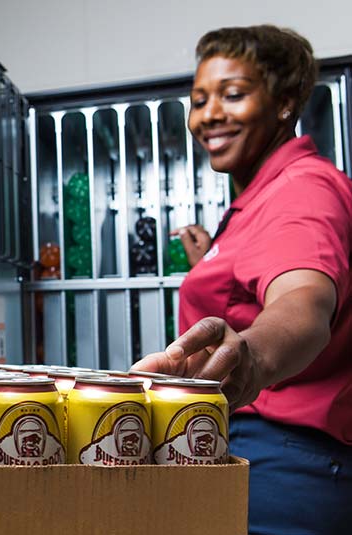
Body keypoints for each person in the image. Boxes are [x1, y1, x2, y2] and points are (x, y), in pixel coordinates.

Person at [131, 25, 352, 535]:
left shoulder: (302, 189)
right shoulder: (263, 195)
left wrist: (248, 358)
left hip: (284, 464)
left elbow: (303, 300)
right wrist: (210, 260)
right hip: (270, 455)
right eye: (199, 99)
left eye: (233, 94)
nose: (208, 114)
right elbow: (261, 285)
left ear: (285, 103)